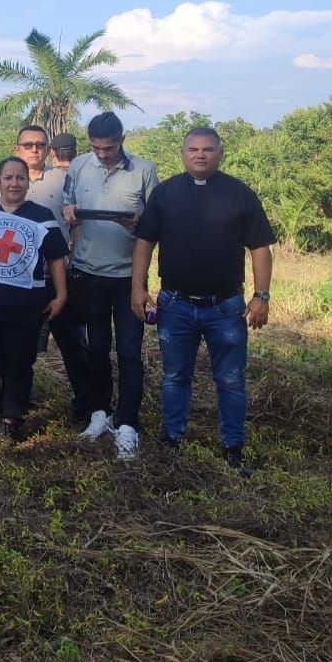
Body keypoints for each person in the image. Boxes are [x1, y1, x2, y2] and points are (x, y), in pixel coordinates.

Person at [131, 127, 274, 472]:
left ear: (220, 153)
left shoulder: (239, 194)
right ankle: (172, 438)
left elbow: (260, 247)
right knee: (175, 375)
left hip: (225, 307)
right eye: (193, 149)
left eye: (208, 149)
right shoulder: (165, 193)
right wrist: (138, 286)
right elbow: (144, 242)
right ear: (182, 154)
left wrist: (261, 295)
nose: (200, 155)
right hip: (175, 304)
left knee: (230, 379)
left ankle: (233, 446)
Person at [62, 112, 158, 461]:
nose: (103, 154)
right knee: (97, 347)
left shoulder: (143, 171)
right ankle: (99, 413)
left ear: (122, 139)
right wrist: (69, 213)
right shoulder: (78, 167)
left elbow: (154, 226)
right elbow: (66, 206)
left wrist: (136, 224)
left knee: (130, 352)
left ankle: (128, 423)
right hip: (89, 273)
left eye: (110, 147)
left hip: (129, 277)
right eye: (96, 148)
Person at [0, 156, 69, 441]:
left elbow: (57, 259)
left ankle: (10, 418)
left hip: (27, 305)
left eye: (20, 178)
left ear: (27, 182)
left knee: (19, 362)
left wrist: (61, 295)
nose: (14, 183)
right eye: (8, 177)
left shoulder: (42, 215)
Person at [0, 124, 89, 416]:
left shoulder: (64, 179)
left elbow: (77, 222)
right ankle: (16, 404)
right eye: (28, 145)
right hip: (15, 283)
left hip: (57, 278)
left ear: (49, 150)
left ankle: (86, 404)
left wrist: (72, 260)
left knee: (74, 346)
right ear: (16, 148)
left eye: (40, 145)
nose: (34, 150)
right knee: (19, 349)